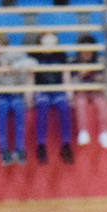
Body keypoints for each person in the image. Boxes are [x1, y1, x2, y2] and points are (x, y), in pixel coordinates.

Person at [0, 32, 34, 166]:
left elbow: (32, 62)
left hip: (15, 92)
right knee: (2, 108)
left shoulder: (15, 53)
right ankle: (3, 149)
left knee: (18, 107)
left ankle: (19, 147)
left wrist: (16, 66)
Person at [30, 31, 74, 165]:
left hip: (58, 90)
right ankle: (41, 145)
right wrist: (29, 96)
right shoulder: (34, 56)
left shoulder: (61, 55)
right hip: (41, 90)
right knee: (42, 106)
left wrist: (69, 94)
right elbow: (30, 78)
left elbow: (66, 76)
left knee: (63, 106)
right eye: (46, 38)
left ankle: (66, 145)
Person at [71, 35, 107, 150]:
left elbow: (103, 79)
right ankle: (83, 131)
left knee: (102, 102)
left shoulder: (98, 64)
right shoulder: (74, 63)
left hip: (95, 91)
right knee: (80, 102)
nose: (87, 54)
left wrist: (97, 77)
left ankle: (105, 133)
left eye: (89, 51)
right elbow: (72, 81)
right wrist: (81, 74)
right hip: (81, 91)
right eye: (84, 51)